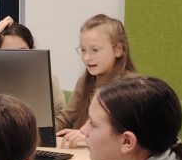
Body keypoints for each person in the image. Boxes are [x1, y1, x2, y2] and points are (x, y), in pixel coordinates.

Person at [56, 12, 137, 148]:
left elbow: (128, 136)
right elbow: (65, 119)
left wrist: (88, 138)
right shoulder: (85, 80)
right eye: (83, 50)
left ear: (119, 49)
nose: (87, 57)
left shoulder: (131, 86)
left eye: (95, 50)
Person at [0, 16, 66, 126]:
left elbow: (62, 118)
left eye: (22, 52)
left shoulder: (46, 78)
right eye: (8, 53)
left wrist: (35, 134)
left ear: (33, 50)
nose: (16, 60)